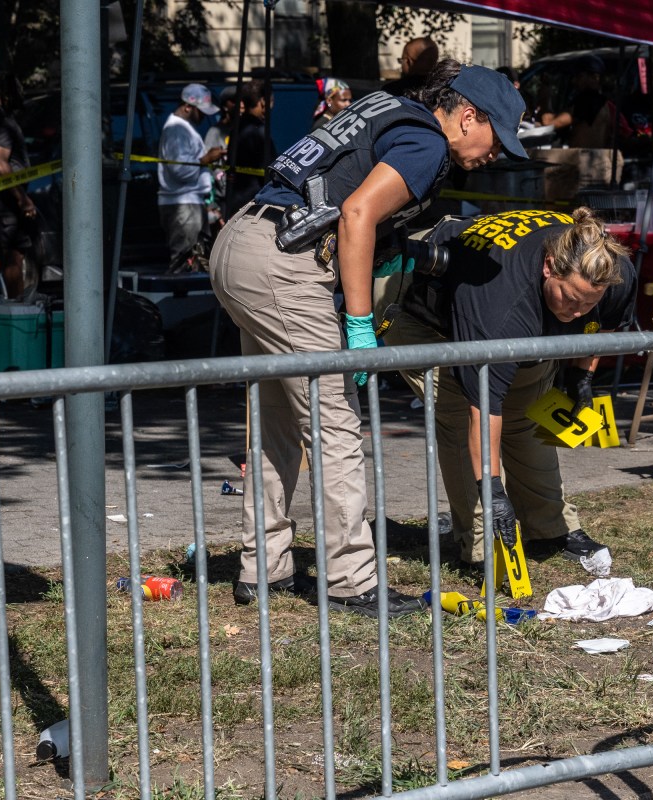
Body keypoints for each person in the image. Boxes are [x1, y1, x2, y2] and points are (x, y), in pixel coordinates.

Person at [207, 61, 527, 616]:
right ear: (468, 117)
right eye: (498, 138)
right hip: (286, 261)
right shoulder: (427, 145)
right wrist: (359, 326)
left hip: (243, 238)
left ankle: (264, 569)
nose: (497, 154)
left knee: (276, 418)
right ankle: (351, 580)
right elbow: (357, 214)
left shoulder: (384, 108)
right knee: (333, 421)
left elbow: (346, 198)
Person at [383, 208, 634, 566]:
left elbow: (603, 326)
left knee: (527, 418)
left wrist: (583, 375)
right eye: (570, 299)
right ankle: (484, 544)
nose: (578, 312)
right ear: (550, 267)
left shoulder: (611, 272)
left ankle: (551, 529)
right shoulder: (500, 306)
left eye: (588, 303)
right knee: (457, 417)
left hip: (521, 315)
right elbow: (483, 407)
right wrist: (494, 491)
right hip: (419, 302)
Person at [0, 72, 39, 298]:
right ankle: (18, 308)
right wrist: (22, 199)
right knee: (14, 257)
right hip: (6, 202)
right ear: (8, 95)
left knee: (1, 257)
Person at [158, 83, 224, 273]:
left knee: (195, 258)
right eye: (201, 111)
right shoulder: (176, 131)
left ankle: (186, 296)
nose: (204, 116)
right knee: (184, 260)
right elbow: (179, 170)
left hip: (189, 203)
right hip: (182, 204)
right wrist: (206, 159)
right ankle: (179, 298)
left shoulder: (183, 129)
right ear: (188, 106)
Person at [541, 55, 627, 149]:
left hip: (580, 160)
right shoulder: (607, 105)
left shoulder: (586, 101)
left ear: (595, 77)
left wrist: (545, 90)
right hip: (599, 160)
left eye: (580, 76)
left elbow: (549, 123)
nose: (574, 81)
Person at [221, 80, 278, 220]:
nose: (272, 106)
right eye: (271, 100)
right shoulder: (257, 132)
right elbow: (270, 173)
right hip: (254, 206)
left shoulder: (236, 128)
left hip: (235, 203)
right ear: (262, 101)